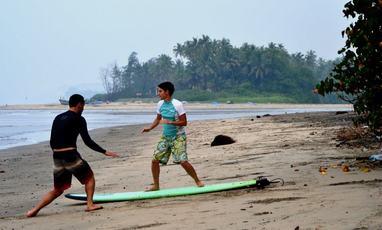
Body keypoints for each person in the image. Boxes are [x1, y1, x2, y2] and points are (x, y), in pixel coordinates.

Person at [26, 94, 119, 217]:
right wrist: (104, 151)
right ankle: (90, 205)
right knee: (89, 177)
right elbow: (87, 141)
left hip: (57, 156)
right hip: (70, 155)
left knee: (58, 189)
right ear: (79, 105)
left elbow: (52, 141)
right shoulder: (79, 119)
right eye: (83, 106)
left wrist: (57, 152)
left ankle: (34, 210)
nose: (83, 108)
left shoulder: (58, 118)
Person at [142, 82, 204, 191]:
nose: (158, 93)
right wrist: (150, 128)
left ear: (167, 92)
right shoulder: (160, 104)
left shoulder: (177, 105)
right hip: (165, 137)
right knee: (155, 160)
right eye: (158, 91)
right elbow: (158, 118)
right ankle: (156, 186)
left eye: (160, 91)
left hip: (178, 137)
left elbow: (184, 122)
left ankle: (197, 180)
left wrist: (170, 122)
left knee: (183, 161)